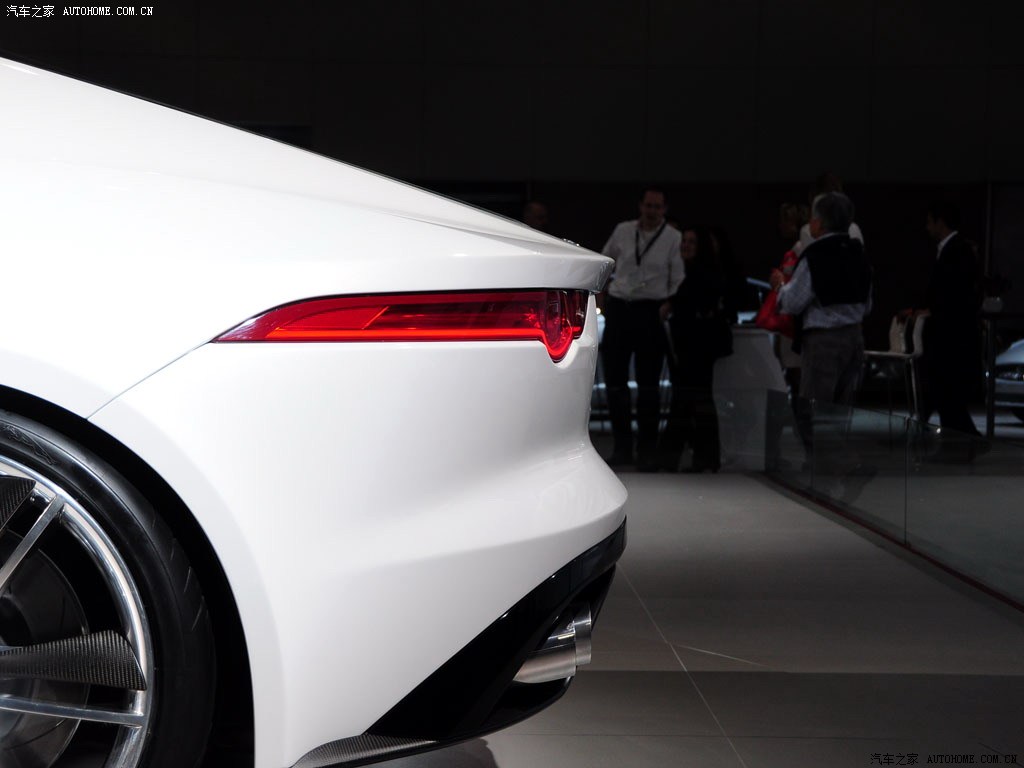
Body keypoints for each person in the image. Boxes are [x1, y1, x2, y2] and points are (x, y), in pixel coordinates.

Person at [772, 192, 872, 444]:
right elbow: (868, 303)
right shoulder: (858, 253)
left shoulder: (815, 254)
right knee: (840, 413)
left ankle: (826, 463)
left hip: (823, 341)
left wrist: (779, 287)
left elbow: (793, 303)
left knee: (815, 413)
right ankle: (836, 462)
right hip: (854, 338)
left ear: (819, 222)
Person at [600, 188, 684, 469]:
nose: (652, 211)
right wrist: (600, 295)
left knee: (649, 385)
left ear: (665, 209)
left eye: (657, 207)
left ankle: (647, 450)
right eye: (648, 205)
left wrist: (670, 303)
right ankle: (622, 447)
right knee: (615, 382)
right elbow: (605, 261)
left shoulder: (673, 237)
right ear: (640, 206)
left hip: (650, 310)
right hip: (620, 307)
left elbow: (678, 276)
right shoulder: (623, 230)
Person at [659, 227, 730, 472]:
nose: (686, 246)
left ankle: (680, 457)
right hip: (696, 348)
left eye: (692, 242)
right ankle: (702, 458)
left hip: (696, 348)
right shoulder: (699, 273)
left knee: (689, 400)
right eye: (684, 241)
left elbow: (695, 309)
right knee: (696, 401)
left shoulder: (699, 275)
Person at [922, 200, 983, 438]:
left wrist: (934, 310)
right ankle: (959, 440)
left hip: (951, 334)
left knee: (947, 392)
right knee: (947, 395)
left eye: (930, 222)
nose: (927, 227)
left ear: (940, 222)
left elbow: (955, 293)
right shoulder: (956, 249)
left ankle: (964, 439)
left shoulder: (957, 251)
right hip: (950, 331)